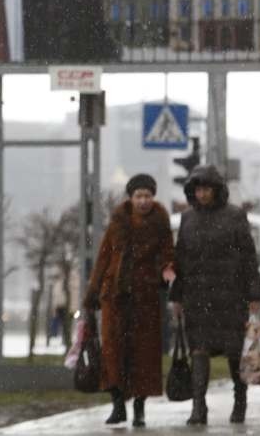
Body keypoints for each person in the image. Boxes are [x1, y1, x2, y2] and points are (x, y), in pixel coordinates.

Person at [169, 165, 260, 426]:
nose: (202, 194)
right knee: (198, 352)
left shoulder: (235, 216)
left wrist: (254, 295)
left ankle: (240, 399)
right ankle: (199, 407)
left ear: (217, 189)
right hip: (197, 298)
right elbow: (180, 259)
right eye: (197, 189)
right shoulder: (187, 219)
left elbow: (248, 258)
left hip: (231, 298)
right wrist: (176, 296)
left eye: (206, 188)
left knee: (234, 353)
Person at [82, 174, 175, 428]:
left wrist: (168, 269)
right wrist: (92, 294)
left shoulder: (160, 222)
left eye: (147, 196)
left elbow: (168, 252)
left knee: (144, 355)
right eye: (138, 196)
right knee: (112, 351)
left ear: (153, 197)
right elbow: (103, 257)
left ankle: (139, 408)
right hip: (115, 296)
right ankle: (117, 405)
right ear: (130, 197)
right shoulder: (118, 221)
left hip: (145, 298)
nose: (143, 201)